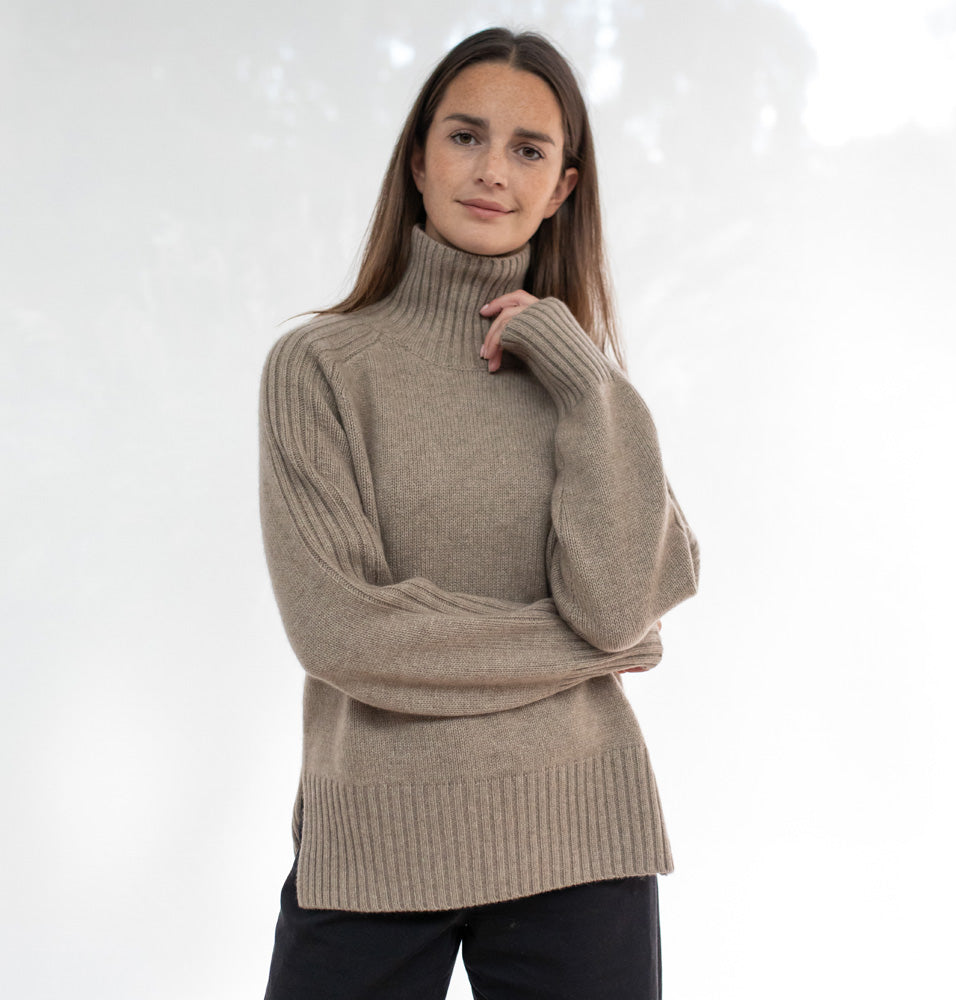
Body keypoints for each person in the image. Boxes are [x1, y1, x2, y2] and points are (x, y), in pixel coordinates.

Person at [258, 26, 699, 1000]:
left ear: (563, 187)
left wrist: (586, 386)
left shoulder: (588, 387)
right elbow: (342, 631)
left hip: (579, 834)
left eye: (528, 149)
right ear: (417, 158)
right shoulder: (319, 368)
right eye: (465, 136)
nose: (492, 169)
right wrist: (583, 651)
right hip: (376, 837)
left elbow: (622, 600)